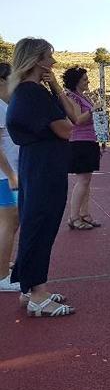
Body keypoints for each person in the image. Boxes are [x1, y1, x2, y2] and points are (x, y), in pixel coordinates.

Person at [7, 38, 79, 317]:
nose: (54, 62)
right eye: (50, 56)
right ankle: (37, 294)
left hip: (37, 165)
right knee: (41, 225)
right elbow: (66, 129)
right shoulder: (31, 93)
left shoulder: (29, 91)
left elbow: (70, 120)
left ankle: (31, 288)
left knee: (35, 223)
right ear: (37, 60)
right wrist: (54, 91)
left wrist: (56, 87)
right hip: (44, 168)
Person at [62, 67, 102, 230]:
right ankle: (73, 217)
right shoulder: (72, 97)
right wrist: (93, 110)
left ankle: (84, 214)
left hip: (90, 140)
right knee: (82, 180)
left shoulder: (83, 97)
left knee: (86, 181)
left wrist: (102, 137)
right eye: (85, 79)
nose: (88, 81)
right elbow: (77, 120)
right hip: (79, 142)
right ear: (76, 81)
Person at [0, 63, 21, 292]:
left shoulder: (6, 105)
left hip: (8, 176)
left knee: (10, 222)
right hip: (5, 177)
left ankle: (2, 263)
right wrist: (11, 175)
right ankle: (2, 276)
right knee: (9, 222)